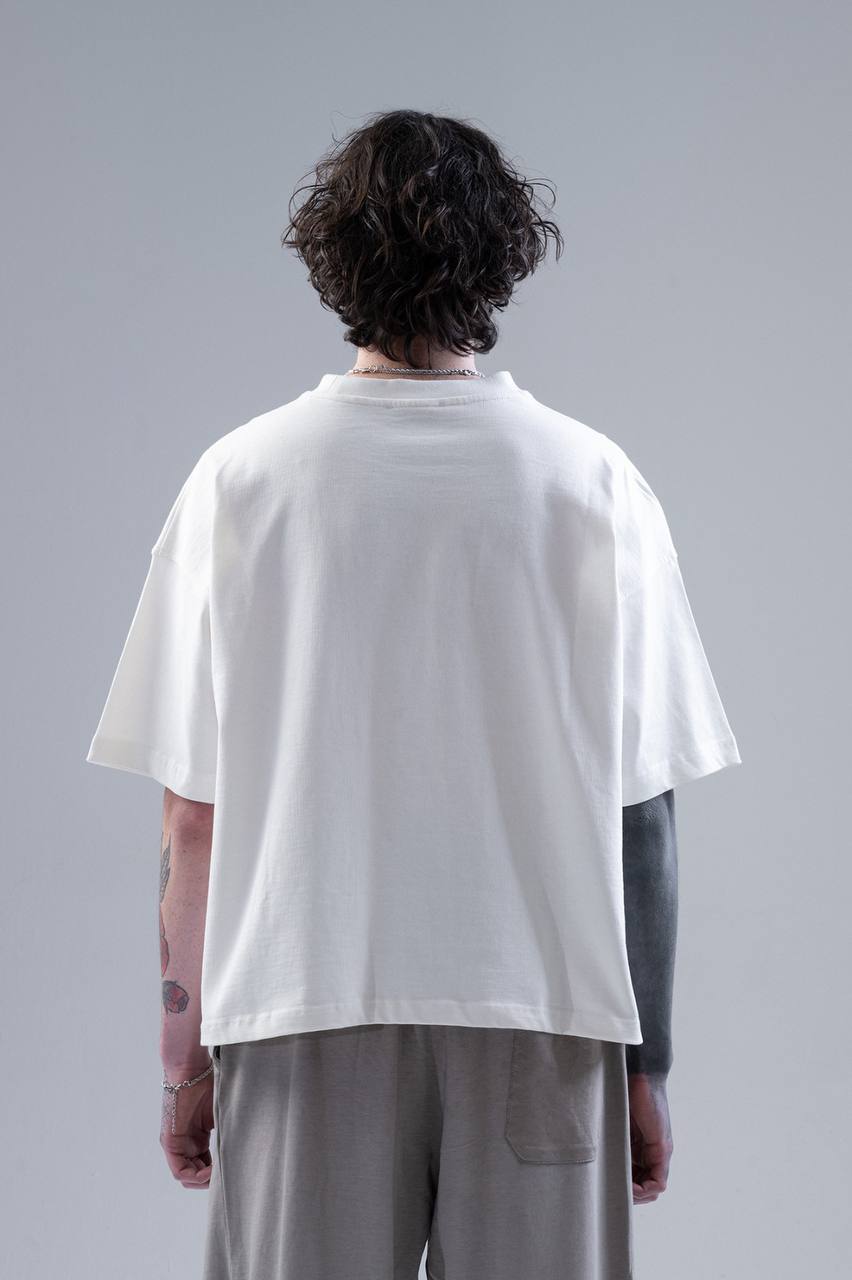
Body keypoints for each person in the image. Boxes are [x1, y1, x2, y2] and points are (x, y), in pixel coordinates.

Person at [85, 109, 741, 1280]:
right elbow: (641, 812)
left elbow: (193, 817)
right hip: (545, 1012)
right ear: (505, 259)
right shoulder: (594, 483)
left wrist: (185, 1058)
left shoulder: (240, 481)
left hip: (301, 1005)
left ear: (334, 260)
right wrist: (649, 1064)